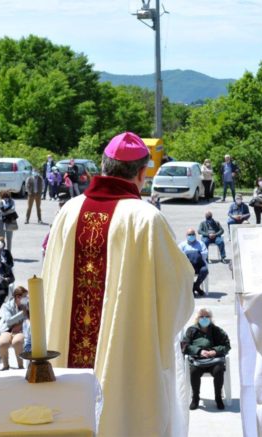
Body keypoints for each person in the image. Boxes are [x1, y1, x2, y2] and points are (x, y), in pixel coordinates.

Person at [42, 131, 194, 436]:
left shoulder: (69, 211)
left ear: (102, 165)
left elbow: (50, 281)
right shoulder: (147, 218)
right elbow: (176, 293)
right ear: (141, 173)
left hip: (66, 359)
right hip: (125, 354)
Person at [182, 308, 231, 410]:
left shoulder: (217, 330)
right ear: (197, 318)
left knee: (219, 370)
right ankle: (195, 398)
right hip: (198, 360)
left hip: (214, 360)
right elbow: (184, 345)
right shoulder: (191, 330)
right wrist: (199, 351)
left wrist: (215, 351)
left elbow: (226, 345)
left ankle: (218, 398)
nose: (204, 318)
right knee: (194, 371)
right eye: (202, 316)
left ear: (210, 318)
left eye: (207, 316)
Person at [0, 285, 30, 370]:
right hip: (8, 329)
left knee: (17, 342)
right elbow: (8, 321)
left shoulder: (28, 305)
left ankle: (20, 366)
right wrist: (22, 313)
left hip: (22, 330)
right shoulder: (7, 306)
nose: (27, 298)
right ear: (18, 297)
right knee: (2, 343)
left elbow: (30, 319)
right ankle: (5, 366)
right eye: (25, 296)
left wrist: (19, 325)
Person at [179, 228, 209, 296]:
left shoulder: (201, 243)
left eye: (192, 234)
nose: (191, 236)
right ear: (186, 235)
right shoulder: (182, 245)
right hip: (187, 267)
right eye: (189, 234)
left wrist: (195, 255)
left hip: (198, 265)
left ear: (195, 235)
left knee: (205, 270)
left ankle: (195, 286)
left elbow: (205, 254)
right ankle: (195, 288)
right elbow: (179, 255)